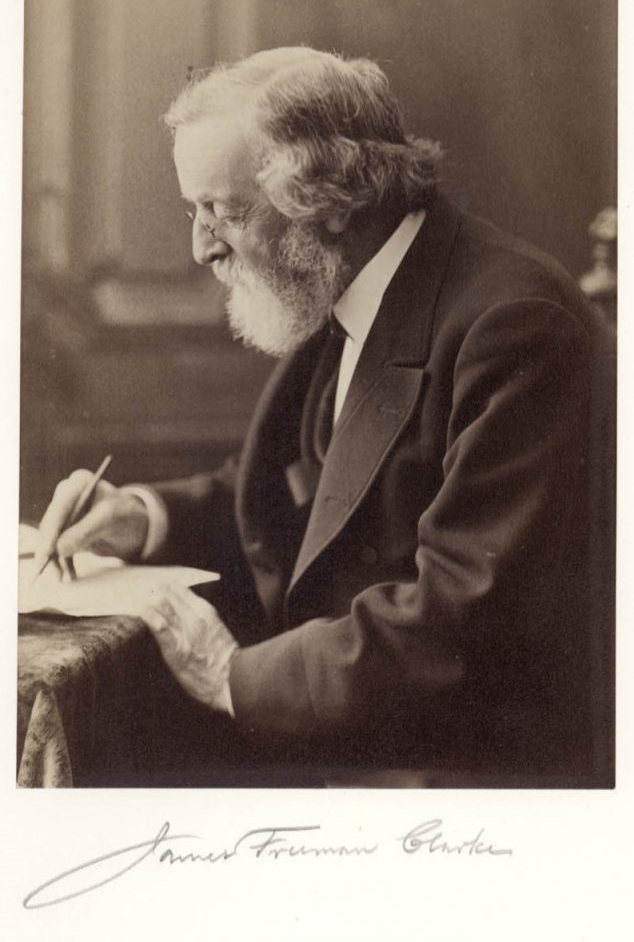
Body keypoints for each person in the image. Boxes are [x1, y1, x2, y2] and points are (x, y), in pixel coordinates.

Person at [36, 47, 615, 787]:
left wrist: (233, 678)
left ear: (331, 201)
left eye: (225, 211)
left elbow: (460, 624)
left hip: (463, 779)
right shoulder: (357, 281)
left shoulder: (514, 328)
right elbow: (311, 499)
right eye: (195, 209)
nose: (201, 246)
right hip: (364, 738)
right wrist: (142, 515)